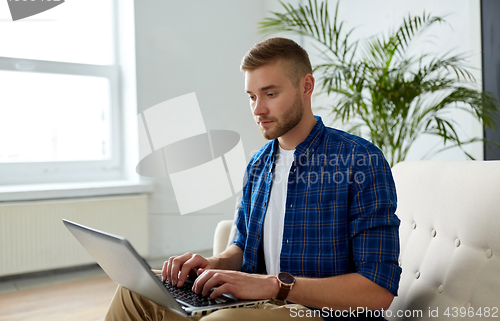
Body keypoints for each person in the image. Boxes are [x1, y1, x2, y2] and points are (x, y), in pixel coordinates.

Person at [105, 37, 401, 321]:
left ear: (306, 86)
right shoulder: (258, 164)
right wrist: (214, 265)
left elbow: (378, 291)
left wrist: (274, 285)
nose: (258, 109)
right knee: (133, 292)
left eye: (270, 94)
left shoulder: (360, 160)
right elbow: (243, 245)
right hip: (254, 306)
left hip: (320, 314)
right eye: (252, 96)